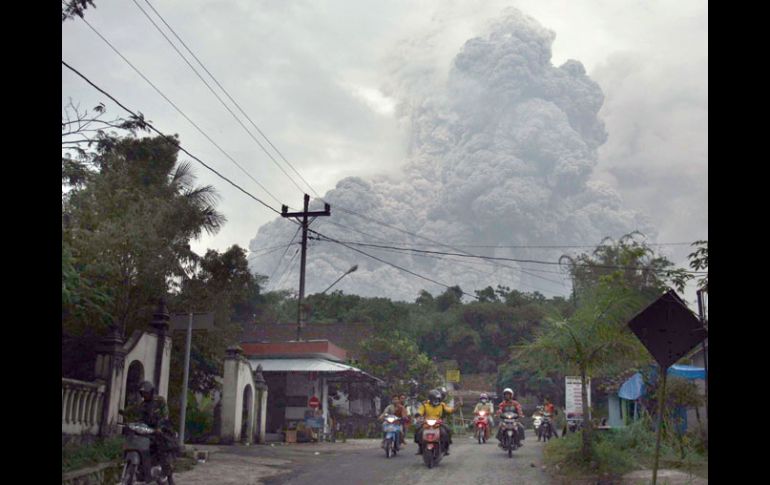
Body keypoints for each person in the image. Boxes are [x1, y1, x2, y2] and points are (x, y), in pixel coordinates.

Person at [122, 381, 177, 485]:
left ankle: (168, 474)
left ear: (151, 392)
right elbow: (135, 415)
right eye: (143, 393)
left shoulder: (160, 401)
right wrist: (126, 415)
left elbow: (165, 415)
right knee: (134, 440)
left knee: (161, 447)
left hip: (159, 431)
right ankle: (141, 467)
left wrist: (160, 426)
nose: (145, 395)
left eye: (146, 393)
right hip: (146, 431)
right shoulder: (142, 405)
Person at [414, 389, 455, 455]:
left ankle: (446, 448)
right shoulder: (425, 405)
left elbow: (449, 410)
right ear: (430, 399)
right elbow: (420, 412)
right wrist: (418, 415)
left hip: (438, 423)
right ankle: (420, 447)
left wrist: (457, 406)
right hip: (426, 423)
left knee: (447, 431)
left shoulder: (442, 405)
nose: (437, 401)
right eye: (435, 399)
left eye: (438, 399)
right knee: (418, 431)